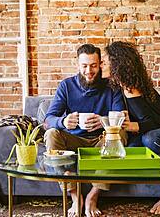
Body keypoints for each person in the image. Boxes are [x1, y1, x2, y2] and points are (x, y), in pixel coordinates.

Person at [101, 41, 160, 215]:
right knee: (129, 151)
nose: (102, 65)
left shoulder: (132, 88)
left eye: (105, 62)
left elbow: (152, 123)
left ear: (116, 65)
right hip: (152, 131)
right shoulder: (123, 86)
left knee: (149, 139)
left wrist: (129, 125)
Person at [43, 44, 126, 217]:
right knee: (51, 134)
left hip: (102, 140)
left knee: (119, 134)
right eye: (85, 66)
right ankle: (74, 195)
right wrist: (64, 121)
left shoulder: (113, 87)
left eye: (94, 65)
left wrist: (103, 121)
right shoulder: (66, 86)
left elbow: (120, 117)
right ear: (78, 65)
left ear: (100, 64)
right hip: (74, 139)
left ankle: (93, 195)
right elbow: (48, 120)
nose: (89, 71)